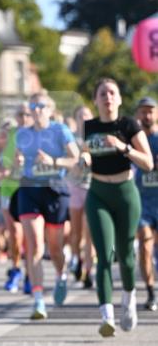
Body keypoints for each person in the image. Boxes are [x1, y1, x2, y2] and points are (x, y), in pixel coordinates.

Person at [81, 79, 153, 336]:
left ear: (119, 99)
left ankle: (129, 298)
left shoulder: (128, 125)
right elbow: (82, 153)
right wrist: (83, 158)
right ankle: (106, 316)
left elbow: (148, 163)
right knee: (104, 255)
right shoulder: (88, 127)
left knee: (126, 254)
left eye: (112, 93)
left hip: (125, 193)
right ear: (96, 99)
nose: (108, 97)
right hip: (98, 193)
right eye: (102, 93)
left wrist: (122, 147)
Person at [16, 92, 80, 320]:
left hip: (55, 188)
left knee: (55, 247)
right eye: (32, 105)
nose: (36, 109)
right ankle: (38, 300)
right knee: (33, 245)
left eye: (40, 105)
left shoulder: (60, 130)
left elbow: (76, 159)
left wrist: (54, 161)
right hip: (29, 188)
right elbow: (16, 158)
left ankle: (62, 275)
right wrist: (18, 161)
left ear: (50, 109)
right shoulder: (22, 134)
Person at [0, 104, 32, 293]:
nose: (24, 117)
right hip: (8, 189)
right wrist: (1, 171)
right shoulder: (8, 134)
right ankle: (16, 269)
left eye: (27, 114)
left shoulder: (37, 135)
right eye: (21, 114)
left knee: (29, 235)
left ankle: (31, 274)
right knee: (14, 234)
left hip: (28, 189)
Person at [66, 104, 95, 290]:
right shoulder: (71, 140)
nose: (83, 119)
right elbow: (67, 161)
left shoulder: (96, 139)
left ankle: (88, 271)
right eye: (80, 116)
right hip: (75, 188)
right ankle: (76, 259)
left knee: (89, 233)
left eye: (86, 115)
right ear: (76, 120)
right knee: (76, 234)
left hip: (92, 188)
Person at [134, 96, 158, 312]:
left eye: (151, 111)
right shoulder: (134, 139)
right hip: (142, 202)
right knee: (145, 247)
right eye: (143, 111)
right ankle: (150, 291)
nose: (147, 115)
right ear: (137, 115)